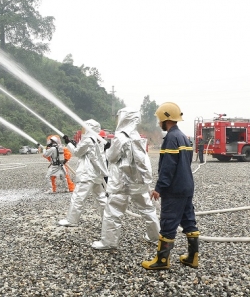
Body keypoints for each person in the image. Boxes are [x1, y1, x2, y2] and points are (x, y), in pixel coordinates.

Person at [91, 107, 160, 250]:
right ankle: (155, 237)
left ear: (123, 118)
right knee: (148, 209)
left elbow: (111, 157)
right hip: (138, 182)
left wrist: (108, 149)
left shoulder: (120, 137)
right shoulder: (138, 137)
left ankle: (108, 242)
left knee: (113, 211)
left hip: (121, 183)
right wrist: (147, 182)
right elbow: (143, 161)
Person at [142, 102, 200, 270]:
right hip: (187, 186)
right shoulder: (183, 137)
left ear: (165, 118)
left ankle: (162, 260)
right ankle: (192, 258)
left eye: (159, 119)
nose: (158, 122)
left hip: (174, 190)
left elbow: (168, 166)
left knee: (168, 222)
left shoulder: (171, 139)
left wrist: (159, 188)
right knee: (189, 220)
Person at [58, 119, 109, 227]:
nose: (82, 130)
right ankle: (107, 220)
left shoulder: (88, 140)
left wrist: (68, 143)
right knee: (101, 197)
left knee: (78, 197)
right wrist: (74, 143)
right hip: (96, 173)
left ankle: (72, 220)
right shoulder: (98, 139)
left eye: (84, 127)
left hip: (87, 174)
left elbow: (77, 152)